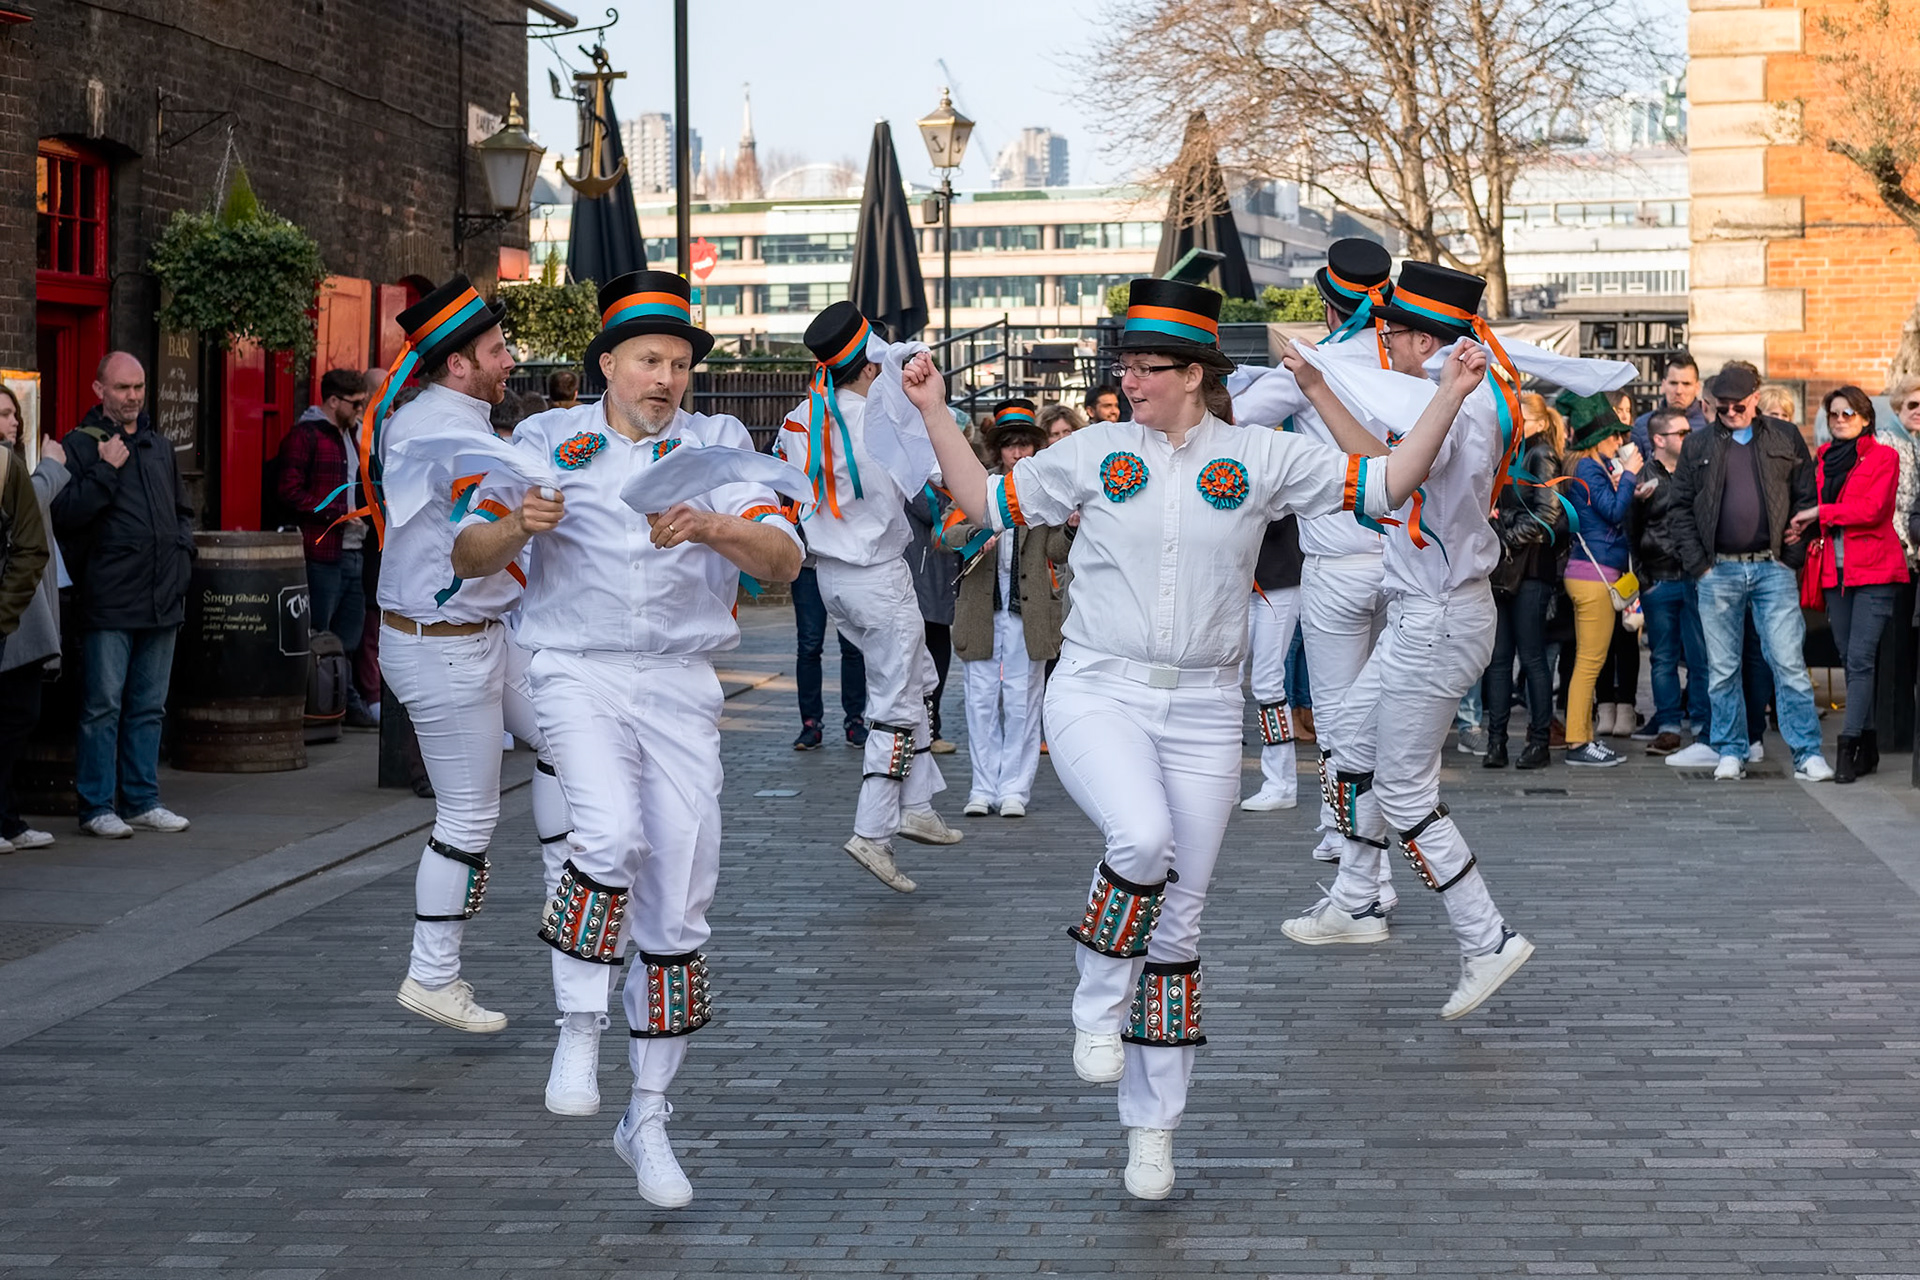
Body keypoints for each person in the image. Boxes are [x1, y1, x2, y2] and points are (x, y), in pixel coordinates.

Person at [908, 274, 1472, 1200]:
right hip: (1097, 688)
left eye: (1147, 366)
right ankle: (1094, 993)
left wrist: (1448, 396)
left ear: (1198, 373)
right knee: (1140, 840)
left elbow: (1389, 481)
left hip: (1208, 709)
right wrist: (933, 408)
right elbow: (985, 500)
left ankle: (1153, 1126)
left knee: (1179, 924)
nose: (1129, 380)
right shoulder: (1091, 452)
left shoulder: (1259, 456)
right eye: (1124, 365)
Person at [453, 268, 803, 1210]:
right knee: (606, 835)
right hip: (574, 667)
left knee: (682, 896)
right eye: (650, 360)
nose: (667, 379)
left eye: (681, 364)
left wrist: (716, 526)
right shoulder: (542, 440)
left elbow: (784, 561)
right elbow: (467, 551)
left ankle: (646, 1116)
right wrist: (516, 527)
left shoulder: (721, 443)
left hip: (684, 684)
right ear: (606, 362)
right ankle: (578, 1023)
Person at [1278, 261, 1534, 1022]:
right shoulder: (1447, 396)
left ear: (1423, 338)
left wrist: (1322, 386)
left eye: (1388, 333)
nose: (1380, 343)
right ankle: (1356, 901)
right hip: (1428, 609)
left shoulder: (1451, 404)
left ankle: (1485, 937)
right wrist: (1320, 389)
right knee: (1350, 740)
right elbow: (1386, 469)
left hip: (1439, 614)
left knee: (1403, 790)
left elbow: (1389, 478)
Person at [371, 274, 573, 1035]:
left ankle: (563, 895)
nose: (509, 359)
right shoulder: (432, 427)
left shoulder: (457, 422)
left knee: (561, 737)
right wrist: (536, 500)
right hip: (442, 645)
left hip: (483, 637)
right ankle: (432, 974)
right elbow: (473, 543)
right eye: (496, 350)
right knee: (467, 814)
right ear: (458, 364)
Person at [776, 301, 963, 894]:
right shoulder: (881, 417)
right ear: (868, 365)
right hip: (878, 573)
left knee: (914, 681)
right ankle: (876, 828)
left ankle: (920, 806)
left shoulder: (800, 418)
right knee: (897, 703)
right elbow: (934, 475)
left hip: (830, 575)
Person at [1227, 238, 1392, 869]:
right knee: (1382, 712)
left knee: (1335, 712)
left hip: (1336, 560)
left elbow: (1235, 421)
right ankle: (1362, 828)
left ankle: (1341, 831)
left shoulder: (1311, 364)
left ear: (1327, 304)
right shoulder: (1413, 358)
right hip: (1408, 556)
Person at [49, 352, 193, 838]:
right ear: (99, 390)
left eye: (138, 387)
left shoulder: (159, 445)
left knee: (150, 706)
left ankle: (141, 799)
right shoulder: (80, 445)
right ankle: (95, 806)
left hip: (161, 597)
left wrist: (183, 559)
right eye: (122, 388)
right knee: (102, 706)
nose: (132, 397)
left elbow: (182, 511)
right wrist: (106, 470)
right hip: (109, 598)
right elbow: (65, 515)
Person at [1667, 363, 1833, 781]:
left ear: (1756, 398)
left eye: (1738, 406)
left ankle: (1807, 752)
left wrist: (1790, 559)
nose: (1731, 413)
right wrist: (1700, 566)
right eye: (1722, 408)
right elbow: (1680, 507)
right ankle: (1731, 749)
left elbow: (1806, 497)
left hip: (1771, 567)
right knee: (1722, 668)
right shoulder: (1698, 443)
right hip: (1718, 568)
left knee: (1788, 663)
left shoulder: (1785, 436)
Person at [942, 407, 1067, 816]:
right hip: (981, 610)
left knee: (1022, 703)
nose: (1018, 452)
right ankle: (982, 788)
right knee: (979, 701)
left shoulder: (1049, 491)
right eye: (1011, 445)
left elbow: (1056, 550)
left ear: (1036, 446)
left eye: (1025, 444)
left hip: (1027, 615)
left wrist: (1072, 527)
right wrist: (977, 534)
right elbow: (943, 533)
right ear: (999, 450)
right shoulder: (978, 487)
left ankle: (1015, 789)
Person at [1804, 386, 1907, 783]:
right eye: (1834, 414)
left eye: (1849, 414)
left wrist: (1822, 511)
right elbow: (1820, 509)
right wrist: (1805, 523)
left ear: (1866, 418)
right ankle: (1869, 744)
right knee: (1849, 658)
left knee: (1861, 659)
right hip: (1836, 572)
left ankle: (1848, 749)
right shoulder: (1826, 457)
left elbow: (1872, 509)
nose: (1841, 420)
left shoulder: (1885, 456)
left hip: (1876, 571)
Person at [275, 367, 377, 729]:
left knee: (348, 634)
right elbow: (288, 492)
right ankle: (315, 705)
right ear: (333, 401)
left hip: (352, 549)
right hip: (322, 551)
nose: (360, 410)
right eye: (355, 404)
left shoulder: (352, 436)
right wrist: (336, 513)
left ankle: (339, 700)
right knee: (318, 630)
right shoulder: (306, 436)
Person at [1484, 391, 1567, 770]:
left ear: (1534, 421)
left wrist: (1502, 538)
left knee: (1531, 658)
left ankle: (1537, 743)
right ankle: (1496, 744)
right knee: (1499, 660)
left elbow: (1547, 514)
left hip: (1530, 568)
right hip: (1505, 567)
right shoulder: (1510, 453)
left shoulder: (1541, 453)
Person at [1558, 392, 1639, 767]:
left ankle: (1585, 737)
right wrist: (1632, 478)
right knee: (1590, 662)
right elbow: (1612, 511)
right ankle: (1578, 742)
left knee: (1589, 660)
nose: (1620, 441)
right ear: (1597, 438)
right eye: (1614, 436)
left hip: (1587, 574)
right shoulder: (1590, 469)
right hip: (1594, 577)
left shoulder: (1587, 467)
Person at [1633, 406, 1711, 756]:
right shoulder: (1641, 477)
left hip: (1695, 577)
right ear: (1659, 439)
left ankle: (1702, 724)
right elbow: (1628, 530)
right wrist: (1643, 577)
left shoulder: (1698, 472)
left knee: (1700, 657)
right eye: (1681, 433)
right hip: (1659, 578)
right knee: (1663, 657)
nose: (1688, 437)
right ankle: (1667, 726)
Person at [0, 386, 53, 852]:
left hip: (17, 621)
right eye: (2, 415)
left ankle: (8, 818)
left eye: (14, 414)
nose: (12, 423)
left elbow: (32, 545)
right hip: (12, 618)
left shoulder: (13, 466)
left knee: (20, 715)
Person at [1242, 516, 1305, 809]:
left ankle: (1281, 783)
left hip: (1280, 578)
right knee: (1227, 678)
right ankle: (1224, 779)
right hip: (1240, 579)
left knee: (1267, 683)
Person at [903, 483, 958, 753]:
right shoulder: (917, 481)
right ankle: (921, 730)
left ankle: (931, 728)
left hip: (939, 576)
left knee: (937, 654)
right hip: (922, 577)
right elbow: (935, 512)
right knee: (922, 661)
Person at [1630, 353, 1706, 459]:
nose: (1679, 391)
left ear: (1697, 387)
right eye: (1673, 383)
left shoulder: (1711, 423)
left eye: (1686, 384)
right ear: (1663, 385)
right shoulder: (1642, 425)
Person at [1885, 374, 1920, 569]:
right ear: (1899, 407)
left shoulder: (1916, 442)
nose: (1919, 411)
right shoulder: (1884, 442)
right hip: (1896, 547)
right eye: (1912, 405)